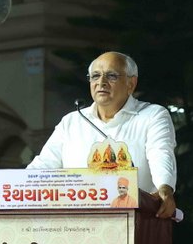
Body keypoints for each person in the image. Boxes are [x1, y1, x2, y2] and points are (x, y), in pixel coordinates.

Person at [27, 51, 178, 219]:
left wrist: (165, 187)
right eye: (95, 76)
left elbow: (160, 154)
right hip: (75, 222)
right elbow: (43, 166)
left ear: (131, 83)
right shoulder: (72, 121)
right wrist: (19, 186)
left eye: (111, 76)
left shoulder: (152, 115)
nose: (101, 82)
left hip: (137, 220)